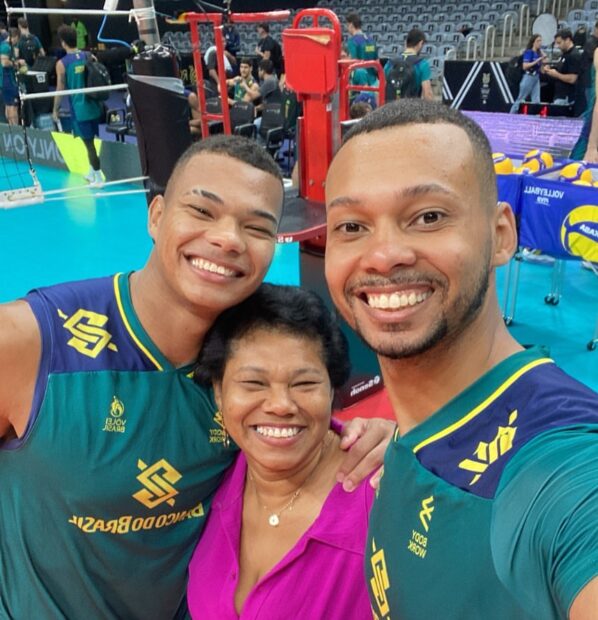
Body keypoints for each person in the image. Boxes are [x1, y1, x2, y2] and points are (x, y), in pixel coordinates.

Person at [0, 133, 394, 619]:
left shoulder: (250, 370)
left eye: (256, 227)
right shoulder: (26, 342)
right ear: (157, 215)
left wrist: (380, 438)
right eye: (203, 212)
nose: (228, 239)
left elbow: (308, 435)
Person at [324, 99, 598, 619]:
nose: (383, 255)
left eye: (428, 216)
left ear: (501, 235)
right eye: (352, 226)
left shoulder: (560, 465)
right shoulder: (413, 432)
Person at [188, 284, 373, 619]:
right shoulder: (213, 471)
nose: (280, 406)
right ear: (218, 391)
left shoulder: (380, 498)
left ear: (332, 388)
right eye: (253, 384)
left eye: (304, 384)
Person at [52, 25, 103, 187]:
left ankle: (98, 177)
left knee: (88, 144)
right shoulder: (89, 56)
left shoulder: (62, 64)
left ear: (63, 43)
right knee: (91, 140)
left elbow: (59, 89)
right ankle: (91, 171)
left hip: (80, 109)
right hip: (95, 105)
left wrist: (55, 109)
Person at [384, 28, 433, 101]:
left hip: (391, 108)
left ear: (406, 42)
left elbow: (382, 88)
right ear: (420, 43)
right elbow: (428, 94)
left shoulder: (390, 63)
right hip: (411, 108)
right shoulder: (422, 64)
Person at [543, 28, 582, 109]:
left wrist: (556, 74)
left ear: (567, 40)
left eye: (559, 43)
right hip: (559, 94)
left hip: (566, 97)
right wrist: (550, 68)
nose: (557, 46)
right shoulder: (564, 54)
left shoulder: (574, 55)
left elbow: (573, 78)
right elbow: (562, 69)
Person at [509, 34, 546, 113]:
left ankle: (535, 116)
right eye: (538, 41)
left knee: (536, 100)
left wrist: (543, 61)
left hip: (536, 77)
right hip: (529, 76)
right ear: (533, 42)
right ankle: (511, 114)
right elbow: (525, 66)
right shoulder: (529, 52)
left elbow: (542, 70)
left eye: (540, 41)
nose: (540, 43)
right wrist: (536, 61)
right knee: (521, 98)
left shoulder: (538, 53)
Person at [346, 12, 378, 83]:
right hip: (374, 83)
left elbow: (352, 63)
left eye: (347, 25)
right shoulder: (371, 40)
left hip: (360, 84)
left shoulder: (352, 41)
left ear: (351, 25)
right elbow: (377, 63)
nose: (347, 28)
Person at [0, 27, 20, 125]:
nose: (17, 42)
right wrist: (16, 63)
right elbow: (4, 63)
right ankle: (16, 130)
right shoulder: (5, 47)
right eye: (17, 39)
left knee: (8, 105)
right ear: (14, 37)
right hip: (8, 81)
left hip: (6, 81)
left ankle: (11, 129)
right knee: (13, 106)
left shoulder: (7, 46)